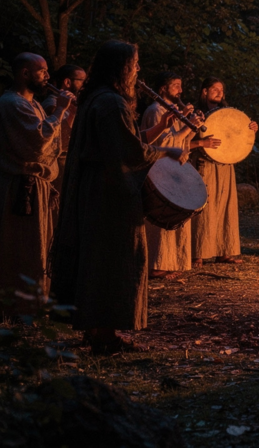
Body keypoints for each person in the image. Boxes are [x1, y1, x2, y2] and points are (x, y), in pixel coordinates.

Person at [52, 41, 184, 354]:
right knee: (113, 259)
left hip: (97, 189)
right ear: (121, 67)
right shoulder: (110, 102)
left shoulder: (96, 98)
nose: (139, 70)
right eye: (135, 64)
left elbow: (125, 141)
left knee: (98, 258)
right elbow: (130, 152)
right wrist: (168, 150)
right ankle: (105, 334)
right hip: (109, 194)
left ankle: (96, 328)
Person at [1, 54, 73, 299]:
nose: (47, 76)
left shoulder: (34, 105)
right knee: (23, 249)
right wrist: (61, 109)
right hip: (21, 188)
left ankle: (35, 303)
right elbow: (37, 144)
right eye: (41, 71)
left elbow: (54, 144)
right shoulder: (12, 103)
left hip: (37, 186)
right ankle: (19, 306)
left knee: (37, 249)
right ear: (24, 73)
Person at [142, 72, 220, 278]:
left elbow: (182, 143)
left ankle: (171, 261)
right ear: (163, 89)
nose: (180, 90)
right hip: (159, 169)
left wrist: (192, 126)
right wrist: (187, 125)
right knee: (161, 217)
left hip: (174, 167)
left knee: (175, 218)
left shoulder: (173, 111)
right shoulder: (155, 111)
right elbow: (163, 144)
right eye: (175, 85)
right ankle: (157, 264)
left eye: (180, 85)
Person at [190, 78, 254, 267]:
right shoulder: (196, 113)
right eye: (215, 89)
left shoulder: (229, 113)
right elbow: (186, 137)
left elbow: (239, 134)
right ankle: (198, 252)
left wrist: (249, 129)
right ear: (204, 92)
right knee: (204, 208)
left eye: (221, 90)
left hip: (226, 165)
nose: (219, 92)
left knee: (226, 207)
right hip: (205, 163)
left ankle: (223, 250)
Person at [42, 63, 85, 195]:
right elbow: (60, 140)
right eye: (82, 81)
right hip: (59, 169)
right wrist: (72, 114)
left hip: (67, 167)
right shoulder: (52, 105)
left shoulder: (69, 104)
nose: (85, 86)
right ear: (67, 82)